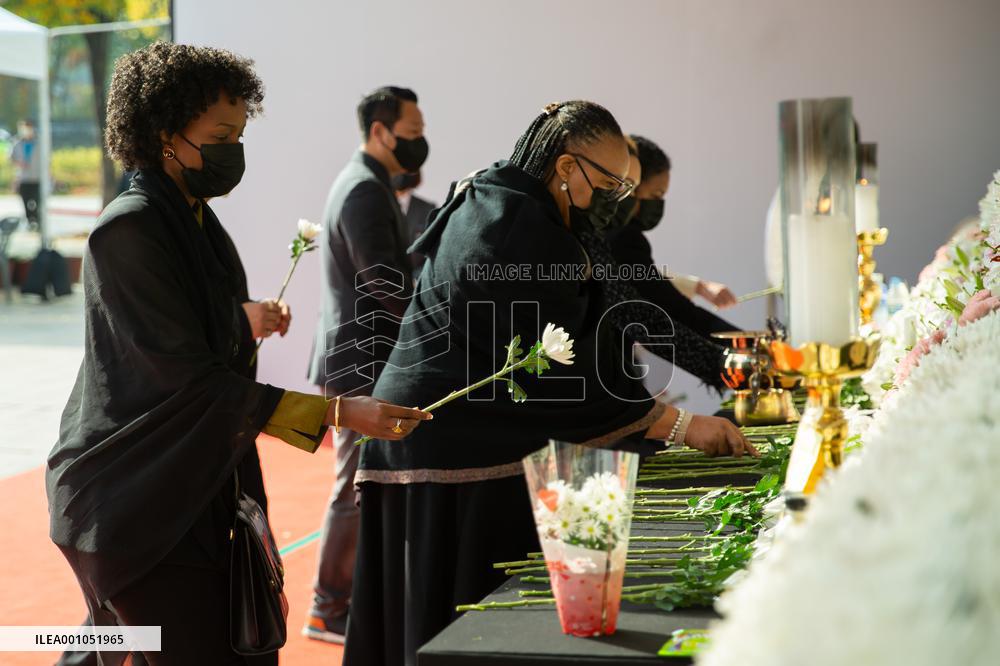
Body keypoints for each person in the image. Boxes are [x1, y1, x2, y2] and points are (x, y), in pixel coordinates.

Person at [45, 43, 430, 666]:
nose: (235, 151)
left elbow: (200, 338)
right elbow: (188, 380)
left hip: (192, 481)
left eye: (240, 134)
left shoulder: (193, 218)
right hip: (131, 495)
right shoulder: (129, 229)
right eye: (221, 136)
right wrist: (337, 412)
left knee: (133, 645)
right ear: (165, 136)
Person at [344, 100, 756, 666]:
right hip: (447, 440)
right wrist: (680, 424)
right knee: (461, 625)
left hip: (449, 431)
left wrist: (724, 362)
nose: (618, 200)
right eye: (610, 184)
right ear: (565, 166)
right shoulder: (519, 228)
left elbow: (619, 314)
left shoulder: (510, 199)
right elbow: (566, 369)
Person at [304, 85, 429, 644]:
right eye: (413, 133)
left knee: (362, 482)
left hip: (361, 358)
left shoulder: (369, 184)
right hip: (359, 361)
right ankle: (328, 606)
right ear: (380, 131)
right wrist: (440, 316)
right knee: (354, 486)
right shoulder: (363, 191)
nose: (421, 142)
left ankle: (341, 600)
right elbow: (387, 283)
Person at [392, 170, 438, 279]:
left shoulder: (428, 209)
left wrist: (417, 280)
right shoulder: (377, 209)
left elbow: (432, 255)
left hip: (418, 281)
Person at [9, 119, 41, 227]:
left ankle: (37, 220)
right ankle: (30, 221)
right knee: (25, 201)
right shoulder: (17, 143)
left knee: (37, 201)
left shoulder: (39, 143)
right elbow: (11, 159)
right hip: (23, 178)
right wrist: (19, 164)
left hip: (37, 178)